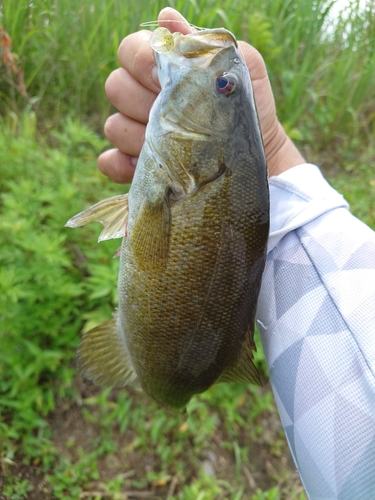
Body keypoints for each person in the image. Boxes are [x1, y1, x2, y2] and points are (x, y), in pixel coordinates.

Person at [98, 8, 375, 500]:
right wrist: (271, 147)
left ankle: (166, 383)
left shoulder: (192, 171)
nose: (222, 75)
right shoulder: (194, 169)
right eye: (228, 86)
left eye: (224, 88)